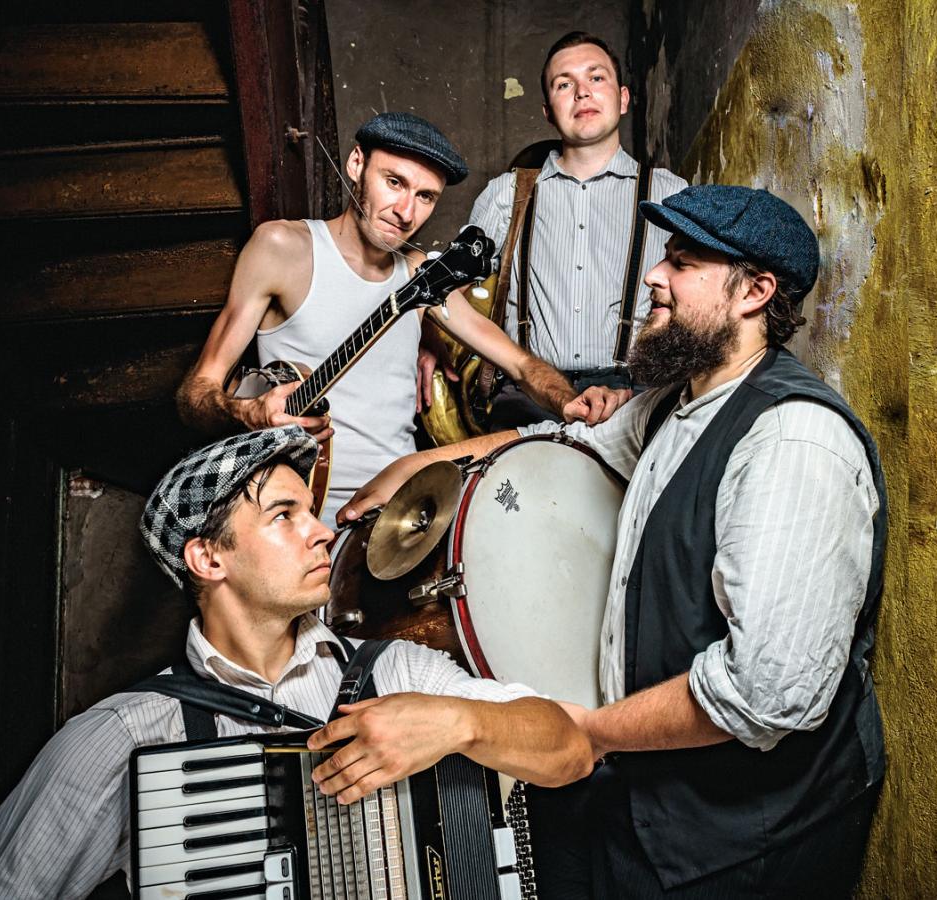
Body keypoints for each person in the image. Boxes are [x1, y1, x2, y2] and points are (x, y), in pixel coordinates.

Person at [344, 184, 888, 897]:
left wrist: (593, 732)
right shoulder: (676, 401)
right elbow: (568, 442)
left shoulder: (793, 442)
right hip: (648, 789)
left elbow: (764, 693)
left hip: (750, 836)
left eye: (683, 263)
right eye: (664, 256)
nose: (654, 277)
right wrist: (422, 467)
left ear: (755, 293)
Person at [0, 426, 593, 898]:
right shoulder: (125, 736)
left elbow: (571, 751)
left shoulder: (396, 672)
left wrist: (462, 724)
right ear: (208, 558)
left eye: (312, 512)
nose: (323, 532)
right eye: (285, 515)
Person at [177, 111, 622, 524]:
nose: (406, 212)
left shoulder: (419, 275)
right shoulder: (282, 249)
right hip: (298, 516)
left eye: (425, 196)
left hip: (400, 515)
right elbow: (195, 394)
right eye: (394, 182)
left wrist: (568, 401)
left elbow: (520, 364)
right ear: (356, 164)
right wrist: (250, 411)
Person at [419, 31, 688, 428]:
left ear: (623, 98)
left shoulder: (671, 194)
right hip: (527, 398)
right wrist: (429, 337)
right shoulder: (506, 193)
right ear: (548, 111)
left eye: (596, 77)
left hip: (636, 398)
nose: (582, 92)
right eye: (564, 84)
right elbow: (447, 288)